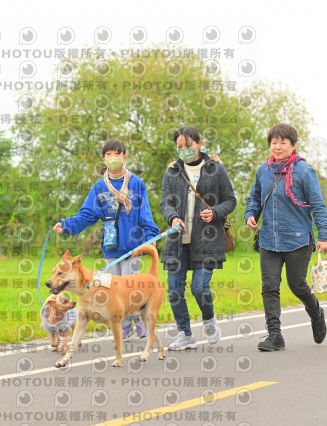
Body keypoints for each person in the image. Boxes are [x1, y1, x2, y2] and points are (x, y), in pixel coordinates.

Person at [52, 139, 159, 339]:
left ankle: (138, 320)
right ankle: (124, 326)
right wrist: (66, 225)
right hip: (111, 246)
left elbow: (145, 213)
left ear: (124, 157)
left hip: (133, 246)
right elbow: (86, 215)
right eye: (108, 154)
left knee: (130, 287)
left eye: (117, 154)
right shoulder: (100, 186)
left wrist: (151, 235)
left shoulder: (136, 183)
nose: (113, 158)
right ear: (103, 158)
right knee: (113, 290)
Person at [244, 123, 327, 351]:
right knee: (269, 286)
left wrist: (324, 236)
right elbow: (254, 199)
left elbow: (318, 206)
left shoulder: (304, 171)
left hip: (297, 240)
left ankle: (316, 313)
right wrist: (250, 215)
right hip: (269, 240)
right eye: (274, 142)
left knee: (297, 285)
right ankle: (275, 336)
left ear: (293, 145)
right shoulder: (263, 171)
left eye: (283, 142)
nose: (278, 146)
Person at [160, 126, 237, 350]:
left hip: (207, 238)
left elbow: (230, 200)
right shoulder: (172, 171)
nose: (183, 150)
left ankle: (209, 320)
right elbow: (165, 202)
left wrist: (215, 212)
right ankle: (185, 334)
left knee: (199, 287)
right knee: (174, 290)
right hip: (177, 241)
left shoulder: (216, 169)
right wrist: (173, 218)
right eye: (179, 146)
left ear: (199, 144)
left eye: (188, 145)